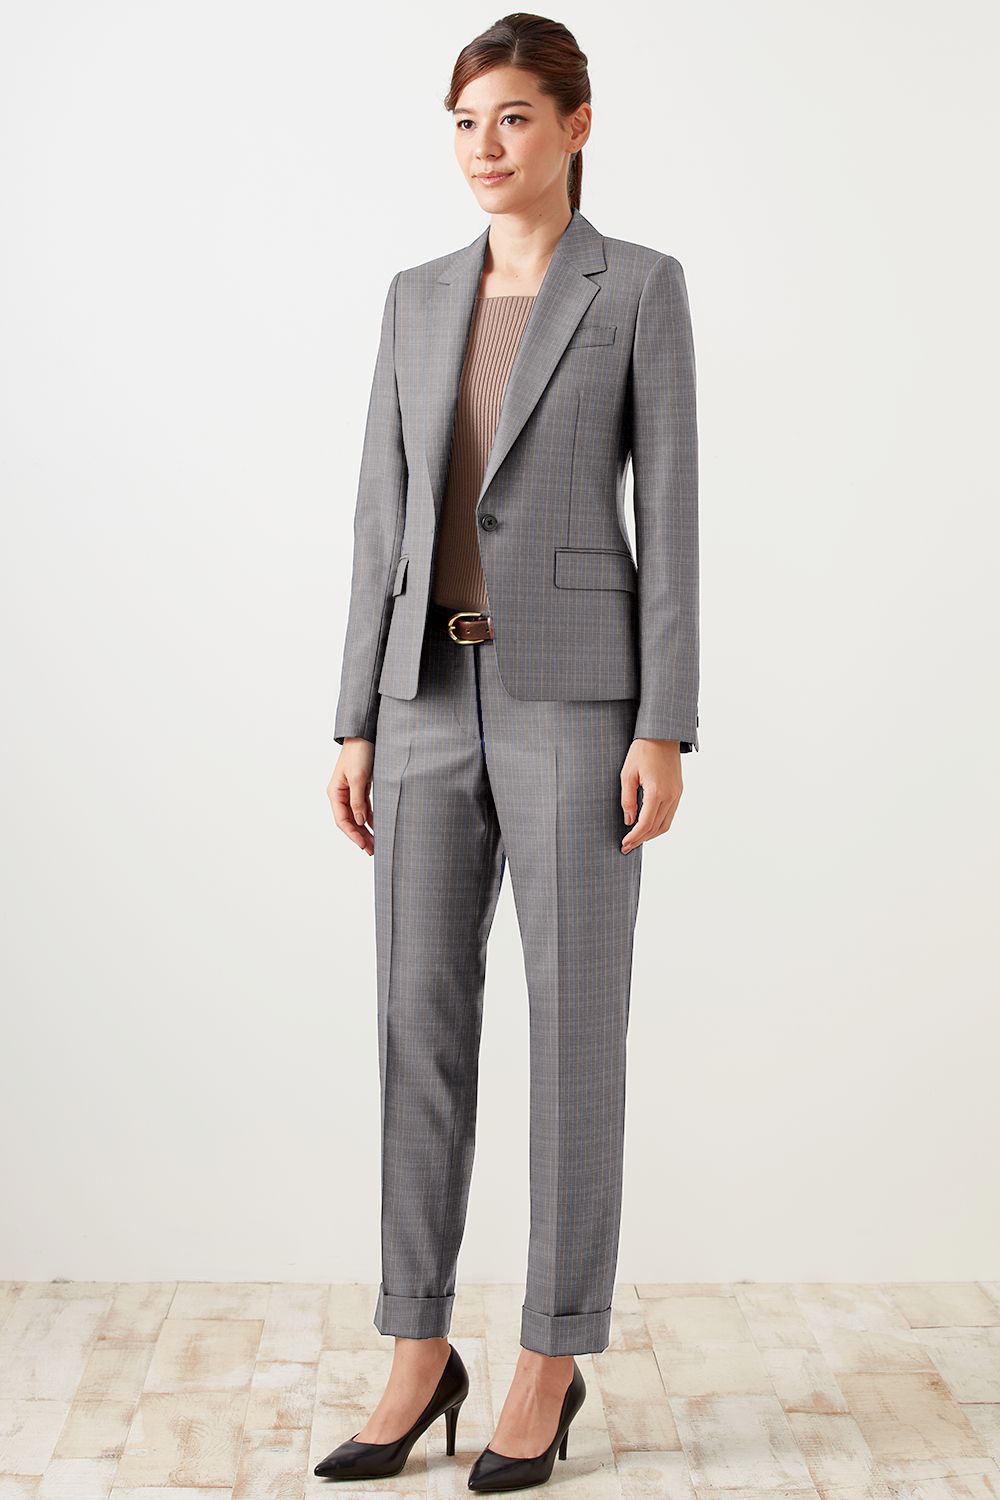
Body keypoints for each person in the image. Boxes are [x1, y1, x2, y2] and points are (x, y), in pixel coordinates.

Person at [319, 13, 699, 1491]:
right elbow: (381, 514)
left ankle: (551, 1358)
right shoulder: (415, 297)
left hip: (578, 708)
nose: (486, 147)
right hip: (421, 700)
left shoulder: (639, 287)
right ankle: (418, 1350)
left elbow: (670, 518)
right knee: (417, 1029)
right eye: (466, 122)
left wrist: (663, 722)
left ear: (577, 126)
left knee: (573, 1036)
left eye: (515, 118)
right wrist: (354, 713)